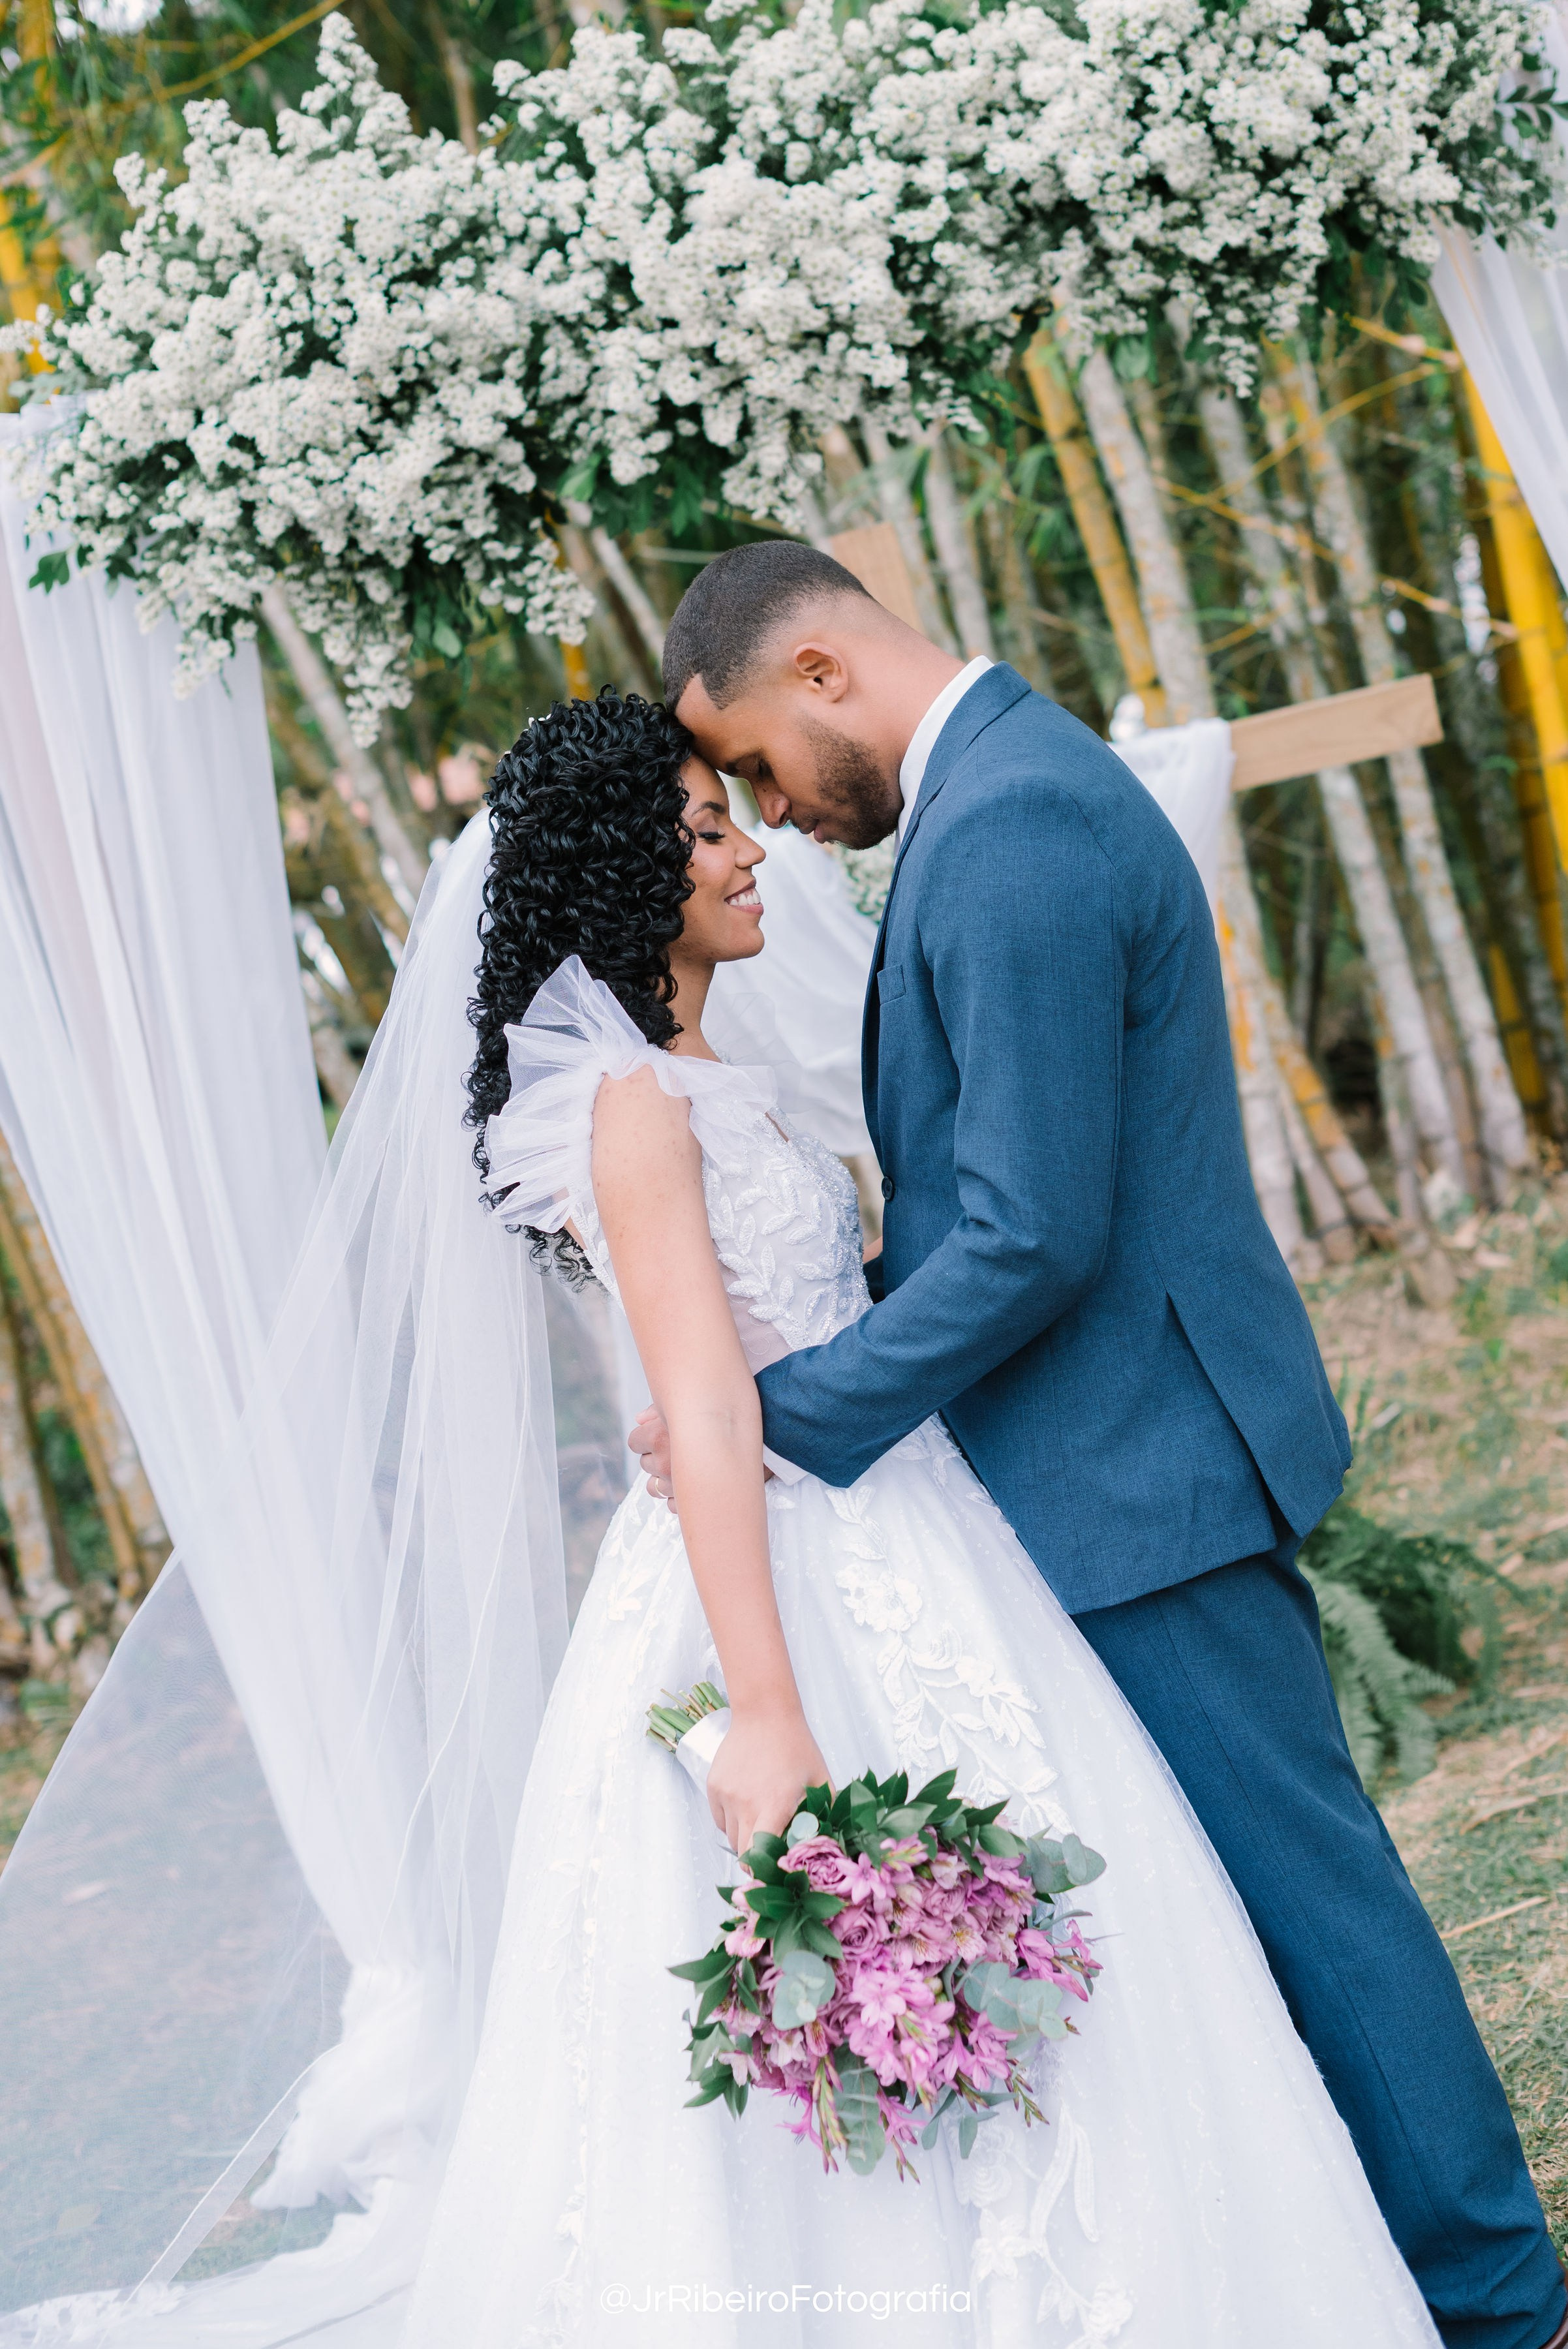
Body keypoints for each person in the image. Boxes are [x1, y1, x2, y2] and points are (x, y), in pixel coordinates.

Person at [397, 686, 1441, 2348]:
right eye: (706, 829)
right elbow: (711, 1411)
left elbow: (798, 1329)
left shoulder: (707, 1075)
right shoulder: (633, 1110)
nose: (749, 851)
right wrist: (765, 1708)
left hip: (916, 1528)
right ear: (620, 875)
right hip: (785, 1581)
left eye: (733, 817)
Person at [621, 540, 1568, 2349]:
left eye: (753, 767)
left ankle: (1495, 2302)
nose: (769, 814)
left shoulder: (1011, 830)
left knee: (1312, 1909)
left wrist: (776, 1414)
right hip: (1107, 1458)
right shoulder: (998, 795)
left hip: (1138, 1468)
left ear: (820, 673)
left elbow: (1027, 1234)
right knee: (1246, 1917)